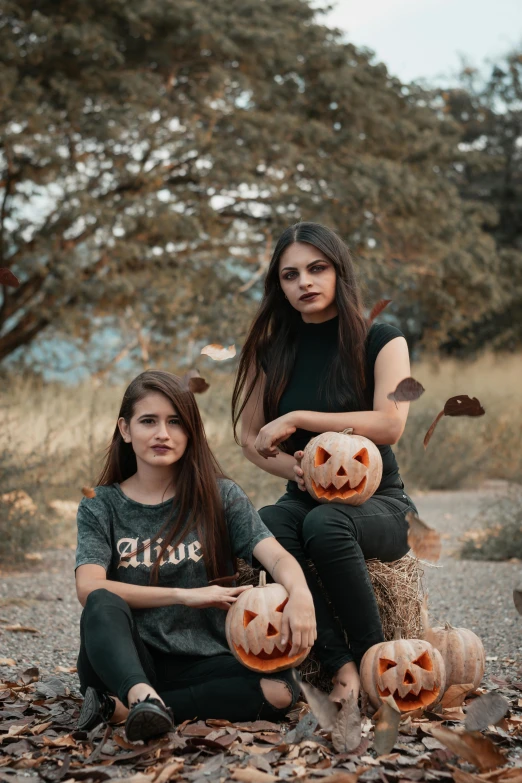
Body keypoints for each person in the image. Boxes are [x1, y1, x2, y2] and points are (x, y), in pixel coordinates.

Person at [232, 221, 419, 703]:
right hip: (305, 496)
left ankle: (375, 659)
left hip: (381, 503)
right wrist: (291, 469)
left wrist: (296, 417)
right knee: (269, 525)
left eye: (317, 269)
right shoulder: (270, 350)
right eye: (290, 275)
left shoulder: (383, 340)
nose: (304, 283)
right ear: (279, 285)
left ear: (340, 271)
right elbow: (248, 435)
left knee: (327, 523)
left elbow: (389, 424)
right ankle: (339, 665)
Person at [75, 370, 316, 742]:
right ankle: (138, 695)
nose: (162, 434)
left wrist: (300, 596)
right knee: (102, 600)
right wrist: (184, 595)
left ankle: (125, 709)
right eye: (148, 421)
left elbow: (279, 559)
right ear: (125, 429)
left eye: (175, 422)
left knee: (281, 690)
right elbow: (88, 587)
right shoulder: (101, 505)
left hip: (204, 661)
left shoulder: (221, 497)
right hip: (125, 660)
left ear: (191, 431)